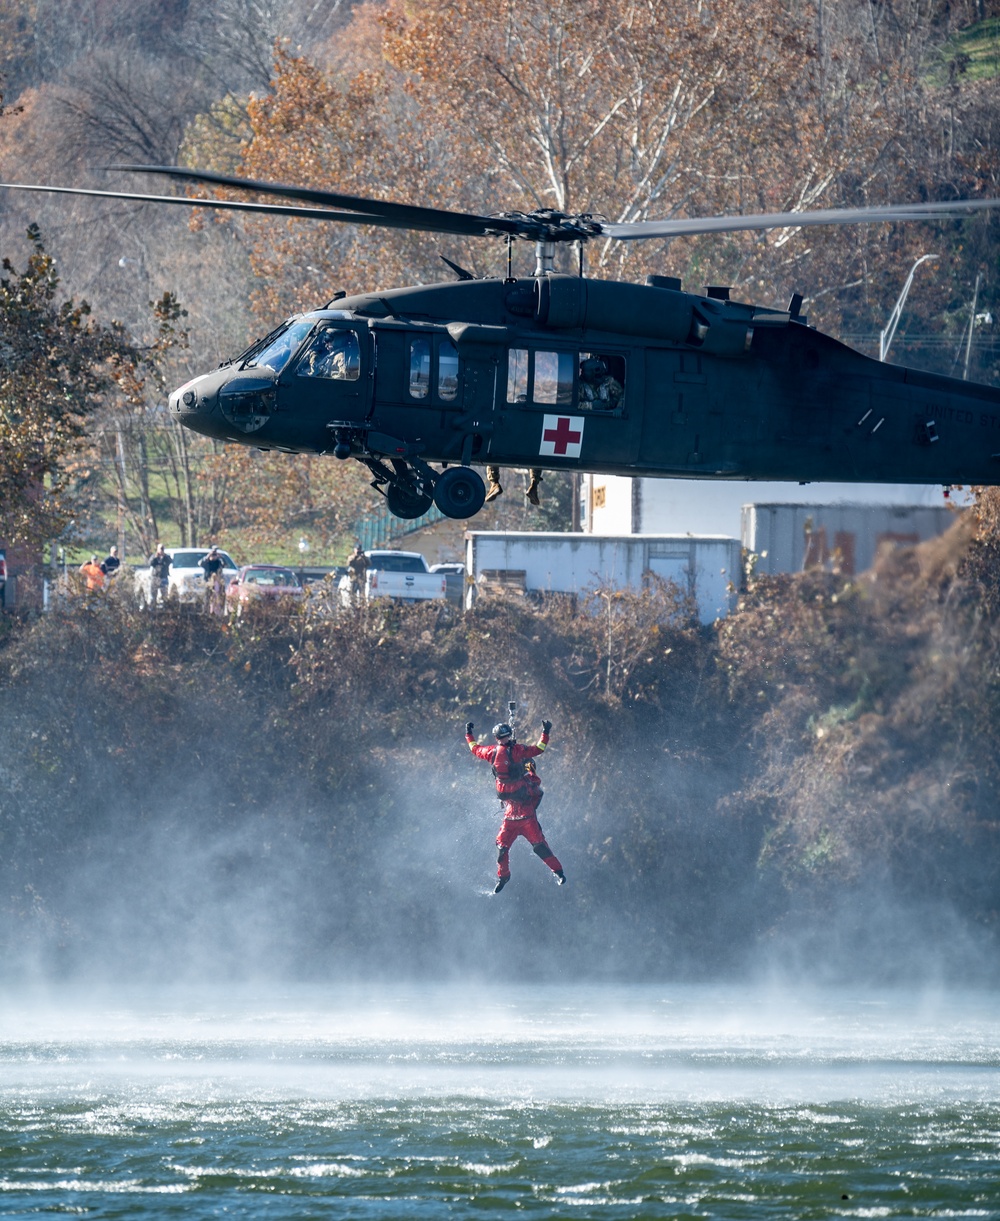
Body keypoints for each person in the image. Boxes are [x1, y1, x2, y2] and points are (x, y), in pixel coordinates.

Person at [465, 718, 565, 892]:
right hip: (510, 817)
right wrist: (468, 734)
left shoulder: (525, 766)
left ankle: (558, 871)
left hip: (526, 817)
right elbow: (475, 749)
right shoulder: (497, 752)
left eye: (506, 737)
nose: (505, 740)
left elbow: (539, 749)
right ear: (498, 739)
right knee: (501, 848)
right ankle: (503, 877)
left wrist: (546, 732)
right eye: (502, 738)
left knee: (540, 846)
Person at [199, 546, 227, 614]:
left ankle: (217, 611)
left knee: (218, 596)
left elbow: (225, 564)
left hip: (217, 581)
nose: (213, 557)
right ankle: (206, 611)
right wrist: (207, 556)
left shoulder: (218, 562)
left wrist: (221, 557)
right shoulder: (207, 562)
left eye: (214, 555)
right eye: (212, 555)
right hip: (208, 581)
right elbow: (200, 563)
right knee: (207, 596)